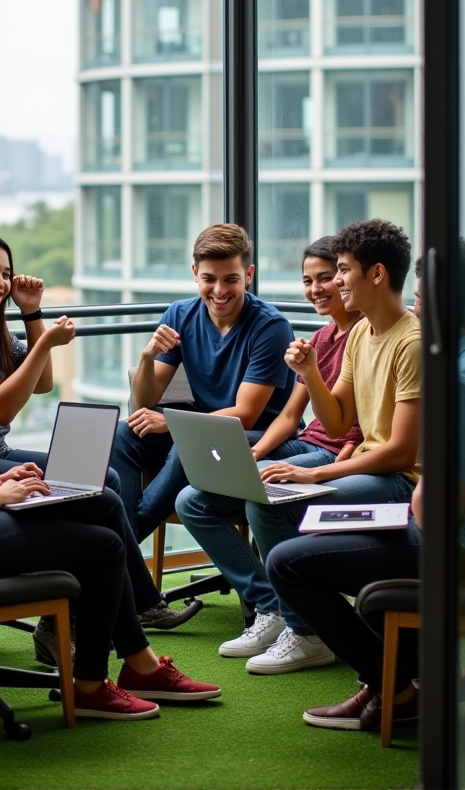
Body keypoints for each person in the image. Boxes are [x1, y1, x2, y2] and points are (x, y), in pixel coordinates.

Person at [0, 241, 221, 721]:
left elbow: (43, 384)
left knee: (102, 486)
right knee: (102, 533)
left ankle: (129, 655)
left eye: (5, 273)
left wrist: (33, 317)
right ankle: (123, 650)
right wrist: (0, 494)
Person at [267, 239, 465, 732]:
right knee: (341, 536)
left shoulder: (458, 378)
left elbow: (431, 508)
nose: (416, 308)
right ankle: (408, 679)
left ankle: (394, 689)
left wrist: (432, 495)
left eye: (423, 301)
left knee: (290, 561)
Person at [176, 237, 364, 669]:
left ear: (343, 278)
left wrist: (344, 455)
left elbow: (361, 422)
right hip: (305, 443)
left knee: (261, 497)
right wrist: (256, 453)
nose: (317, 288)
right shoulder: (318, 337)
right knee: (193, 499)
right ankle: (271, 606)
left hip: (334, 456)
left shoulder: (366, 335)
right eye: (308, 280)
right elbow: (291, 416)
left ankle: (307, 630)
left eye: (326, 278)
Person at [244, 219, 421, 674]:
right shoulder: (363, 333)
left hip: (400, 483)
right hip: (368, 471)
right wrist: (310, 374)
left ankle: (305, 632)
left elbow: (401, 453)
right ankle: (312, 626)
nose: (336, 280)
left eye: (342, 270)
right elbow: (339, 419)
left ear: (377, 274)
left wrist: (313, 474)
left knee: (272, 504)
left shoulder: (413, 343)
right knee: (264, 497)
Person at [111, 223, 296, 541]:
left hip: (257, 441)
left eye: (231, 279)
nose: (220, 290)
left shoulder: (271, 328)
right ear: (195, 272)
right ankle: (124, 547)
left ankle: (121, 544)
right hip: (203, 433)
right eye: (209, 278)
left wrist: (171, 422)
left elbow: (245, 414)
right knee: (124, 431)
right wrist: (147, 356)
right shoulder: (179, 315)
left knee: (187, 445)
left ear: (248, 275)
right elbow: (144, 401)